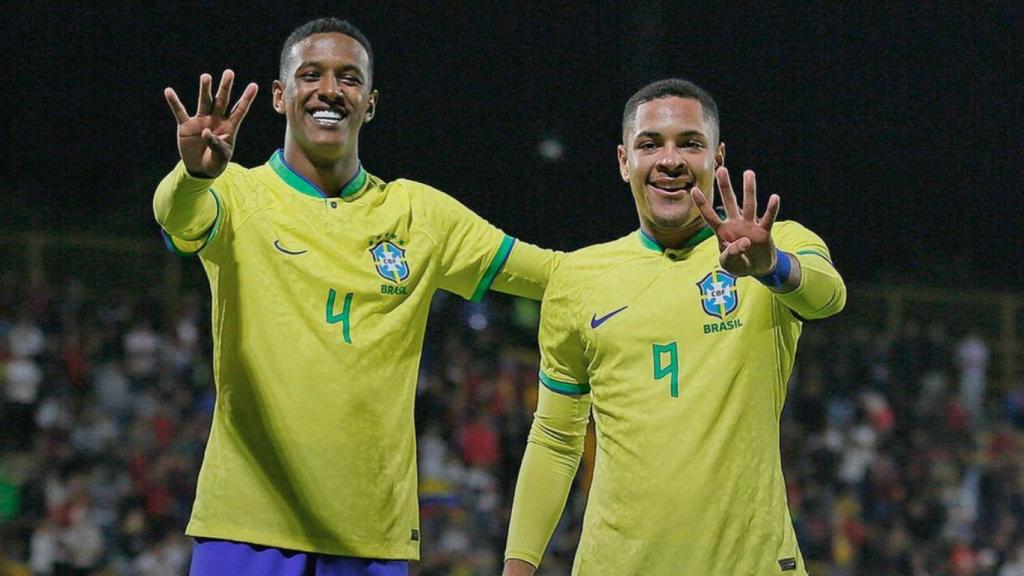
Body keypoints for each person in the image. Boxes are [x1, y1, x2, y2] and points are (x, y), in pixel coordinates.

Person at [153, 17, 559, 576]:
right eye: (310, 75)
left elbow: (552, 274)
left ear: (369, 102)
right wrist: (193, 175)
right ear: (279, 95)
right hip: (245, 529)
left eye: (349, 78)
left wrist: (694, 255)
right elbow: (177, 219)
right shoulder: (238, 193)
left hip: (370, 539)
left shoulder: (418, 214)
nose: (329, 90)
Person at [502, 78, 846, 575]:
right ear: (624, 161)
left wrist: (773, 266)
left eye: (690, 143)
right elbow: (556, 438)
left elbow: (827, 297)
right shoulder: (577, 278)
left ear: (718, 157)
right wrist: (518, 568)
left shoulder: (773, 245)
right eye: (650, 144)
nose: (670, 160)